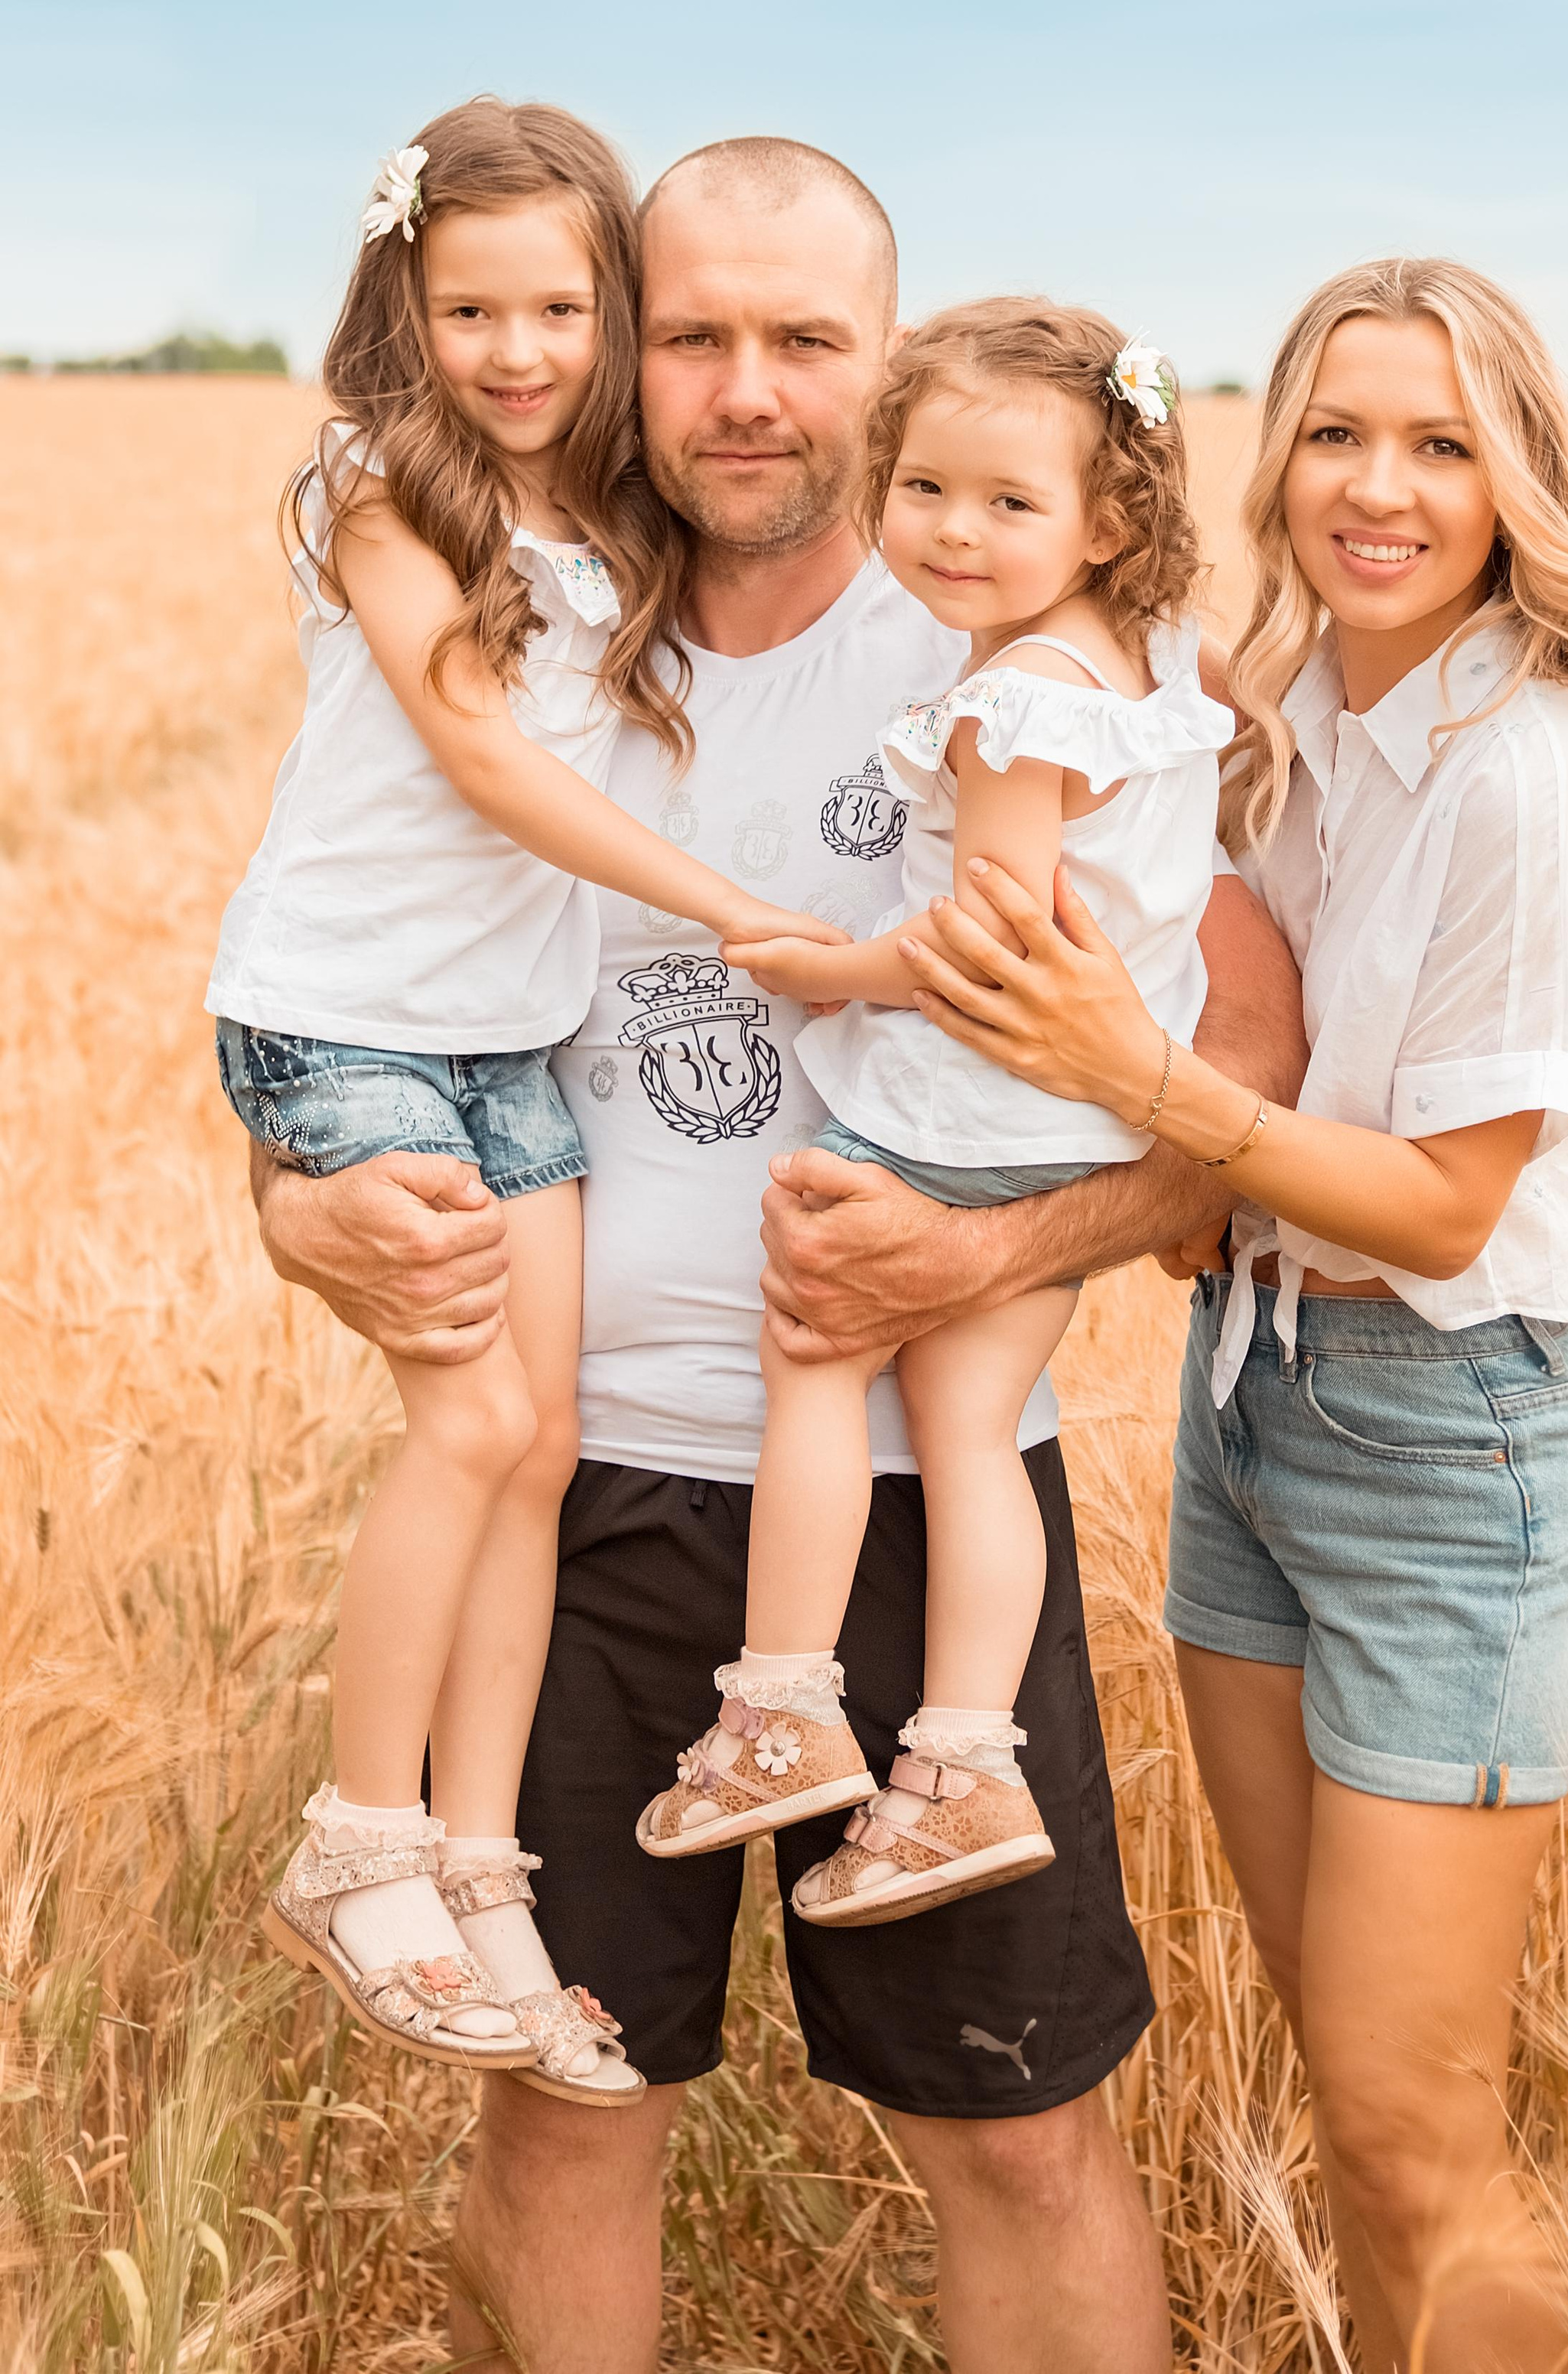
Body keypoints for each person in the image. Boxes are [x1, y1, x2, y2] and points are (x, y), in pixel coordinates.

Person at [249, 134, 1306, 2374]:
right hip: (586, 1507)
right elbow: (346, 981)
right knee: (567, 2109)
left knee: (1018, 2132)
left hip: (926, 1501)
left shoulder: (1018, 640)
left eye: (806, 342)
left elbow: (1238, 1081)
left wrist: (1004, 1244)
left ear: (889, 361)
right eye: (697, 334)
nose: (747, 391)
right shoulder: (510, 610)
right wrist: (297, 1202)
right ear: (628, 353)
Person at [893, 256, 1568, 2372]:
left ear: (1514, 480)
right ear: (1276, 467)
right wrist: (1153, 1167)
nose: (1380, 487)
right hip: (1252, 1411)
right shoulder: (1283, 730)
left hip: (1453, 1445)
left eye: (1442, 444)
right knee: (1342, 2097)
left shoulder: (1528, 771)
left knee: (1407, 2124)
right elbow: (1247, 1053)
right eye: (1341, 436)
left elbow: (1452, 1213)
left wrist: (1136, 1087)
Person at [210, 99, 844, 2100]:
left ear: (615, 309)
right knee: (469, 1415)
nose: (513, 351)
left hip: (512, 1033)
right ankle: (359, 1845)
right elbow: (485, 763)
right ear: (405, 297)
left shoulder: (606, 520)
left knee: (541, 1445)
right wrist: (735, 909)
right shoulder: (378, 483)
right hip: (352, 1017)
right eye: (468, 305)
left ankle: (483, 1871)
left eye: (560, 307)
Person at [636, 301, 1231, 1925]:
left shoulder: (1005, 704)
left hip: (959, 1115)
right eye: (923, 490)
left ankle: (779, 1705)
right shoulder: (1136, 670)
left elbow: (989, 931)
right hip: (1080, 1124)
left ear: (1109, 520)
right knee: (968, 1433)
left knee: (816, 1356)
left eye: (1008, 503)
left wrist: (830, 965)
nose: (954, 533)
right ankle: (964, 1763)